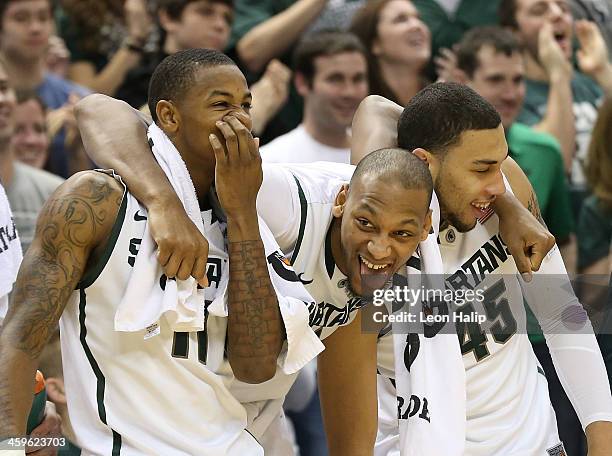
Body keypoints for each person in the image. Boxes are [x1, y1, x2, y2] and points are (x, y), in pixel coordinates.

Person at [73, 77, 556, 456]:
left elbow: (566, 316)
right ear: (346, 200)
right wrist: (165, 202)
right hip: (166, 422)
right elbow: (95, 107)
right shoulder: (295, 203)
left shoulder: (386, 277)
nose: (383, 248)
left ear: (423, 229)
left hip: (253, 421)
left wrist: (508, 208)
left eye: (402, 234)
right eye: (369, 222)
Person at [0, 48, 324, 454]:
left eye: (246, 105)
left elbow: (256, 367)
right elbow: (18, 339)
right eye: (221, 105)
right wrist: (8, 448)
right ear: (170, 117)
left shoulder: (248, 219)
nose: (239, 120)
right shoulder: (97, 202)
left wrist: (242, 217)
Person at [347, 83, 612, 455]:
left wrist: (603, 441)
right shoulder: (374, 235)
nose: (496, 184)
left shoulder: (506, 191)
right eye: (482, 169)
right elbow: (375, 108)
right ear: (424, 162)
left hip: (533, 444)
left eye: (500, 165)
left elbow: (563, 317)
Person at [454, 25, 585, 453]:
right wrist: (508, 205)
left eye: (518, 80)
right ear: (463, 83)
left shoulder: (544, 152)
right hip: (460, 338)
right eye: (496, 80)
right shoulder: (421, 163)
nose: (510, 93)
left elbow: (560, 239)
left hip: (535, 341)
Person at [499, 0, 612, 215]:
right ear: (514, 32)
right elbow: (556, 162)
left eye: (563, 7)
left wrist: (603, 71)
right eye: (539, 10)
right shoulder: (512, 96)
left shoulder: (590, 83)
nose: (557, 14)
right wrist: (558, 75)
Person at [260, 30, 368, 164]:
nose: (349, 92)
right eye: (335, 79)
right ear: (302, 83)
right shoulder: (271, 162)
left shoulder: (380, 154)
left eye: (358, 79)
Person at [350, 0, 431, 106]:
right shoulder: (358, 103)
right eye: (401, 19)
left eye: (418, 18)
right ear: (375, 43)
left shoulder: (441, 98)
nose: (417, 26)